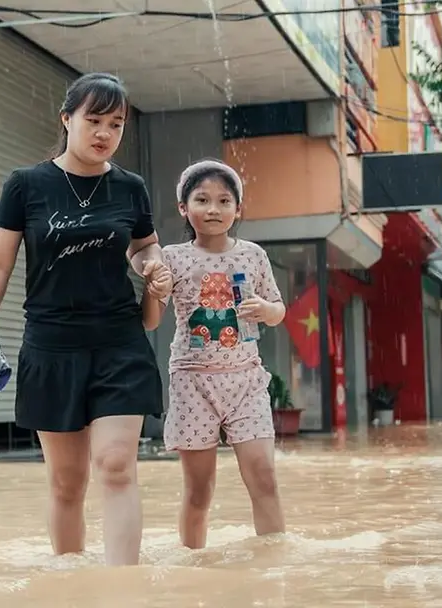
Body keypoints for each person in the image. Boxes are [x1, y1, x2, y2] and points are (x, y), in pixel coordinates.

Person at [0, 72, 173, 567]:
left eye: (115, 124)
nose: (104, 133)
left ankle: (122, 591)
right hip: (51, 347)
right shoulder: (26, 185)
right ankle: (72, 586)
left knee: (116, 465)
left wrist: (151, 268)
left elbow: (143, 247)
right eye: (93, 120)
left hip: (119, 341)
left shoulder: (130, 188)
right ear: (67, 119)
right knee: (67, 482)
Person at [143, 159, 287, 549]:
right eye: (202, 199)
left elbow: (278, 310)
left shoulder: (253, 255)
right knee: (199, 491)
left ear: (238, 209)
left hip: (246, 379)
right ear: (183, 208)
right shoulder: (172, 257)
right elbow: (152, 321)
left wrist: (265, 309)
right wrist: (154, 290)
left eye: (225, 201)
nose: (213, 209)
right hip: (192, 382)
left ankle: (274, 567)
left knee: (264, 477)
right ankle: (192, 565)